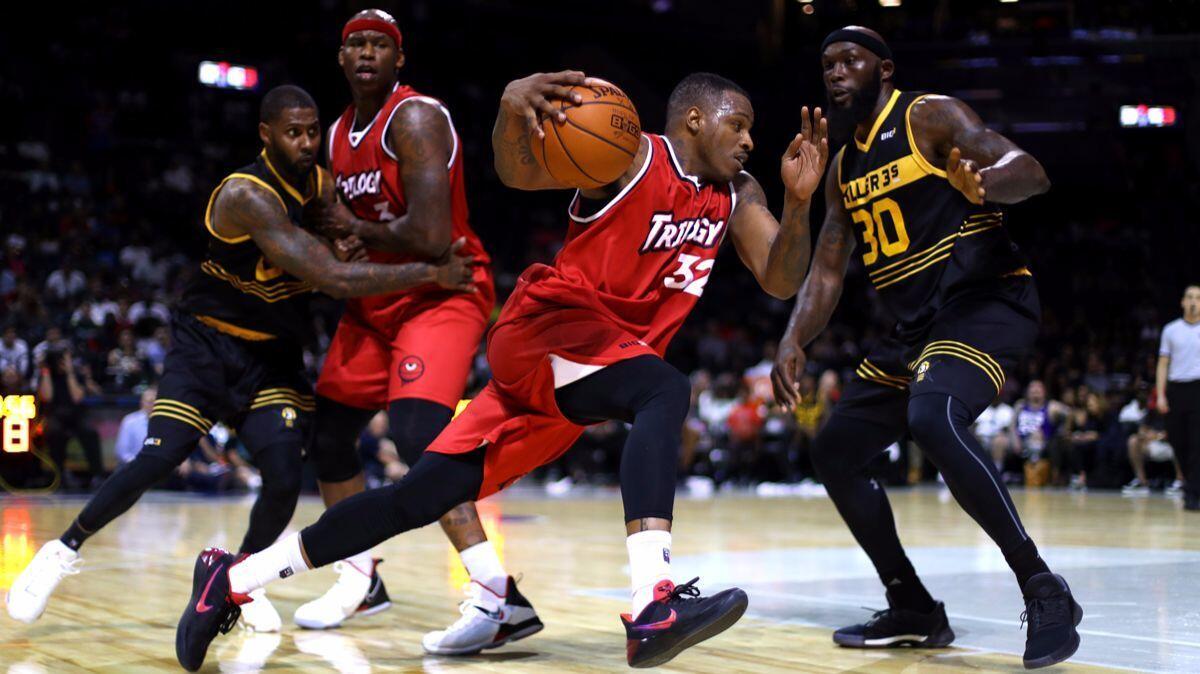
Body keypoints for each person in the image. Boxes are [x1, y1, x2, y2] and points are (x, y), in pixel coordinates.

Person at [175, 70, 827, 671]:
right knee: (664, 388)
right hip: (551, 327)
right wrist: (513, 105)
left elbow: (779, 278)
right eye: (736, 124)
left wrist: (799, 205)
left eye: (749, 129)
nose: (748, 139)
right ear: (691, 119)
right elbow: (517, 173)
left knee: (418, 498)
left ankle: (231, 580)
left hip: (584, 371)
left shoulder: (739, 195)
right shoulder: (627, 153)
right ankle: (654, 601)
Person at [6, 85, 475, 632]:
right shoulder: (245, 195)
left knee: (281, 476)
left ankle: (236, 582)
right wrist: (428, 274)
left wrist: (350, 240)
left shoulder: (321, 185)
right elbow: (331, 277)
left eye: (312, 130)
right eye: (292, 133)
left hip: (271, 355)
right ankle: (60, 552)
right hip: (208, 346)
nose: (306, 142)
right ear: (266, 135)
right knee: (157, 460)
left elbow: (346, 244)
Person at [771, 27, 1081, 669]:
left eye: (849, 59)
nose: (834, 72)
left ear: (884, 68)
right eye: (826, 63)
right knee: (834, 448)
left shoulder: (927, 116)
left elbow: (1033, 172)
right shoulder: (842, 167)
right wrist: (793, 337)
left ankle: (1043, 588)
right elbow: (828, 269)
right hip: (916, 328)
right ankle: (911, 604)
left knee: (932, 416)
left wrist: (988, 184)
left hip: (987, 300)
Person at [291, 11, 522, 651]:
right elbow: (342, 232)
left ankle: (496, 594)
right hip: (382, 294)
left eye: (379, 45)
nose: (367, 54)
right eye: (355, 44)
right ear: (340, 58)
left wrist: (350, 229)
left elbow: (429, 234)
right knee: (330, 436)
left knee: (421, 433)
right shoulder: (336, 134)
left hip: (442, 287)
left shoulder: (415, 117)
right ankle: (360, 576)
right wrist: (340, 234)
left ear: (400, 57)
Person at [1158, 284, 1200, 510]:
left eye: (1198, 298)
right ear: (1183, 302)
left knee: (1196, 444)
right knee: (1178, 442)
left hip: (1198, 388)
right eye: (1190, 297)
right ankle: (1192, 486)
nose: (1194, 302)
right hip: (1176, 389)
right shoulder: (1171, 330)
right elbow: (1163, 364)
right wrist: (1162, 395)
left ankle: (1192, 493)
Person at [114, 386, 156, 466]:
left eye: (155, 402)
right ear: (142, 403)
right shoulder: (130, 421)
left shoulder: (163, 422)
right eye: (149, 402)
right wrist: (138, 465)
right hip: (132, 465)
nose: (152, 405)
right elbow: (122, 452)